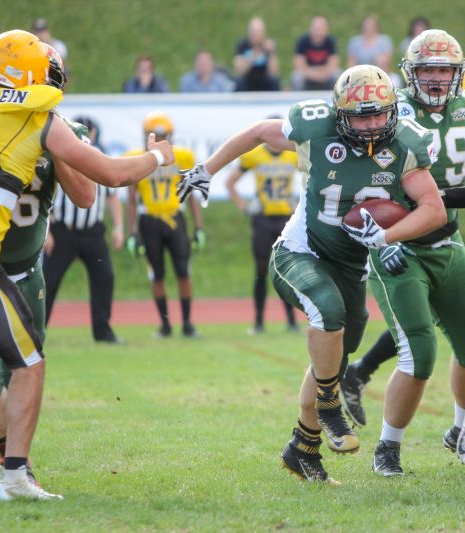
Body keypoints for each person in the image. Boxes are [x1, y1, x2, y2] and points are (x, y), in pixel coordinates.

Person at [176, 65, 447, 483]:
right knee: (327, 310)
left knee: (337, 352)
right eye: (362, 116)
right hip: (298, 252)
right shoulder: (316, 131)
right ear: (339, 115)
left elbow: (433, 209)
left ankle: (303, 448)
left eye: (380, 114)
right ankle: (329, 407)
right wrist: (208, 169)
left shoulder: (407, 145)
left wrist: (388, 236)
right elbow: (257, 133)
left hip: (350, 265)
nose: (374, 125)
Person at [0, 29, 174, 500]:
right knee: (18, 368)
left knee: (13, 370)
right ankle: (14, 474)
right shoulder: (39, 121)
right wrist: (158, 156)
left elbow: (84, 193)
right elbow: (110, 177)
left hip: (12, 264)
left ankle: (8, 463)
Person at [347, 30, 465, 478]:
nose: (435, 78)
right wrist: (379, 239)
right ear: (411, 74)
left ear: (458, 73)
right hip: (395, 244)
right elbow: (361, 181)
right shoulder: (389, 112)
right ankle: (387, 448)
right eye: (428, 69)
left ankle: (463, 432)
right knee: (419, 353)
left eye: (444, 70)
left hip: (445, 241)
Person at [0, 44, 95, 486]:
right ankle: (8, 462)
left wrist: (48, 142)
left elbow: (86, 195)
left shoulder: (57, 128)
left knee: (19, 370)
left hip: (22, 269)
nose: (54, 87)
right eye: (47, 76)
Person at [43, 116, 125, 344]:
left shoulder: (100, 156)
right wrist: (47, 231)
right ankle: (37, 332)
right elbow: (45, 195)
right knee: (48, 281)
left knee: (104, 277)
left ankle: (103, 331)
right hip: (64, 231)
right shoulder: (60, 155)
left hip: (93, 232)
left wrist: (118, 226)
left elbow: (112, 195)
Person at [126, 112, 204, 339]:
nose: (159, 140)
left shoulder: (182, 157)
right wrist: (132, 231)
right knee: (156, 275)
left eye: (162, 136)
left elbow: (191, 193)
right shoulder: (137, 158)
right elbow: (132, 199)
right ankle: (165, 325)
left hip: (175, 218)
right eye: (155, 135)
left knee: (183, 271)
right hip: (149, 221)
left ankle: (188, 323)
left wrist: (198, 227)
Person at [224, 129, 300, 333]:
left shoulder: (294, 153)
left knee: (287, 271)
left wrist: (300, 204)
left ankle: (292, 321)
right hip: (263, 219)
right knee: (260, 269)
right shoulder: (254, 154)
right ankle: (258, 321)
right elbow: (230, 182)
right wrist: (243, 205)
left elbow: (314, 176)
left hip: (286, 219)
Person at [290, 16, 340, 91]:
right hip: (308, 75)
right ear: (310, 29)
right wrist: (316, 73)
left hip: (324, 74)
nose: (318, 33)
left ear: (326, 30)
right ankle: (298, 98)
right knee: (296, 76)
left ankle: (336, 98)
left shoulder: (330, 42)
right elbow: (299, 66)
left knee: (337, 74)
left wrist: (320, 72)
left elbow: (333, 65)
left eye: (320, 30)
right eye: (316, 29)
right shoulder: (302, 42)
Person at [346, 15, 396, 84]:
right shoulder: (355, 42)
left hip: (380, 74)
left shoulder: (384, 40)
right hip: (360, 76)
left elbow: (387, 61)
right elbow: (351, 63)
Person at [234, 17, 280, 92]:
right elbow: (239, 71)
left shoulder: (268, 46)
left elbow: (274, 72)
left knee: (275, 81)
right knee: (239, 81)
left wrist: (271, 53)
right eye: (254, 31)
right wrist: (253, 56)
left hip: (264, 78)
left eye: (258, 32)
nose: (256, 34)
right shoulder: (243, 45)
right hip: (248, 78)